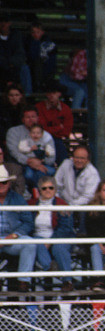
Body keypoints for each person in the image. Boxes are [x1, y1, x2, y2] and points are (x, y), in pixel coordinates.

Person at [28, 175, 76, 292]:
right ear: (39, 190)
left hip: (59, 237)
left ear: (55, 189)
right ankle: (48, 268)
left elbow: (65, 228)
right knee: (35, 242)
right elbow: (27, 225)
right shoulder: (31, 204)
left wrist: (50, 241)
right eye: (44, 188)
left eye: (51, 187)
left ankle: (67, 281)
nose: (48, 190)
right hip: (38, 238)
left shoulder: (62, 204)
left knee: (59, 248)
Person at [0, 164, 36, 292]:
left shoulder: (18, 199)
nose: (1, 185)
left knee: (30, 243)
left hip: (11, 238)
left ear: (9, 183)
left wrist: (14, 235)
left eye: (4, 182)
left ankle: (23, 281)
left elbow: (28, 222)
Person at [35, 80, 72, 164]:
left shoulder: (65, 109)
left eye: (54, 92)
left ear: (59, 93)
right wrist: (59, 127)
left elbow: (66, 131)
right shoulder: (38, 107)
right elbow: (40, 130)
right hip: (40, 140)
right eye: (49, 92)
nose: (51, 95)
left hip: (58, 141)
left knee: (58, 145)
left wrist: (49, 130)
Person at [0, 12, 32, 94]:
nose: (3, 24)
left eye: (5, 22)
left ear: (9, 23)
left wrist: (12, 62)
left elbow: (20, 53)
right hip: (2, 67)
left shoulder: (16, 35)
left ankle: (27, 96)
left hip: (14, 66)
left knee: (25, 69)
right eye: (1, 22)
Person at [18, 123, 55, 190]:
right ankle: (32, 188)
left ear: (42, 134)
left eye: (38, 133)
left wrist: (47, 153)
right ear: (30, 133)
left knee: (48, 172)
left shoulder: (44, 142)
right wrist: (30, 149)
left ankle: (39, 189)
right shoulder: (27, 141)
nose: (35, 135)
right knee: (28, 175)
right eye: (33, 133)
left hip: (42, 163)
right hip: (30, 163)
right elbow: (21, 148)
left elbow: (52, 152)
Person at [24, 20, 57, 93]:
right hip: (32, 70)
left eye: (38, 32)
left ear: (42, 32)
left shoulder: (49, 44)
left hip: (46, 70)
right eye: (33, 32)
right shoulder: (27, 42)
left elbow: (51, 61)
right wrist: (35, 43)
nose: (35, 34)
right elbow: (31, 56)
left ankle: (41, 84)